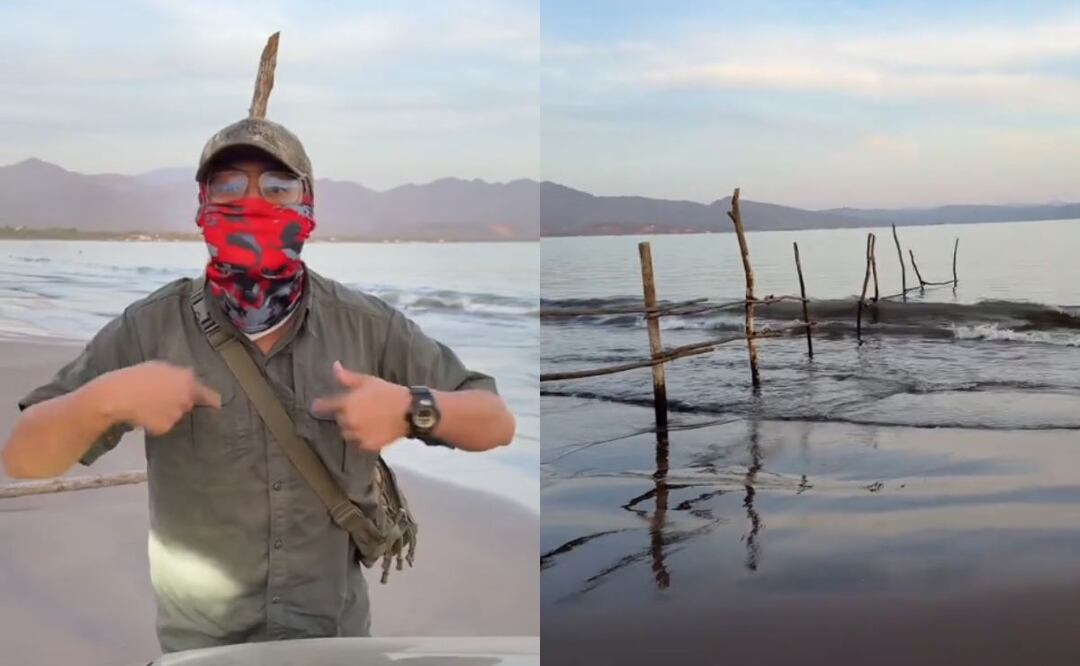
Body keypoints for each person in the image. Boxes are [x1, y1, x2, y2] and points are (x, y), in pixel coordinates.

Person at [0, 115, 516, 653]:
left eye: (277, 186)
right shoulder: (150, 327)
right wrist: (102, 401)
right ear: (202, 204)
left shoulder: (366, 324)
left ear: (308, 204)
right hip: (204, 652)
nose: (252, 201)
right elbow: (24, 456)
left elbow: (495, 421)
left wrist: (414, 408)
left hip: (334, 646)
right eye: (228, 185)